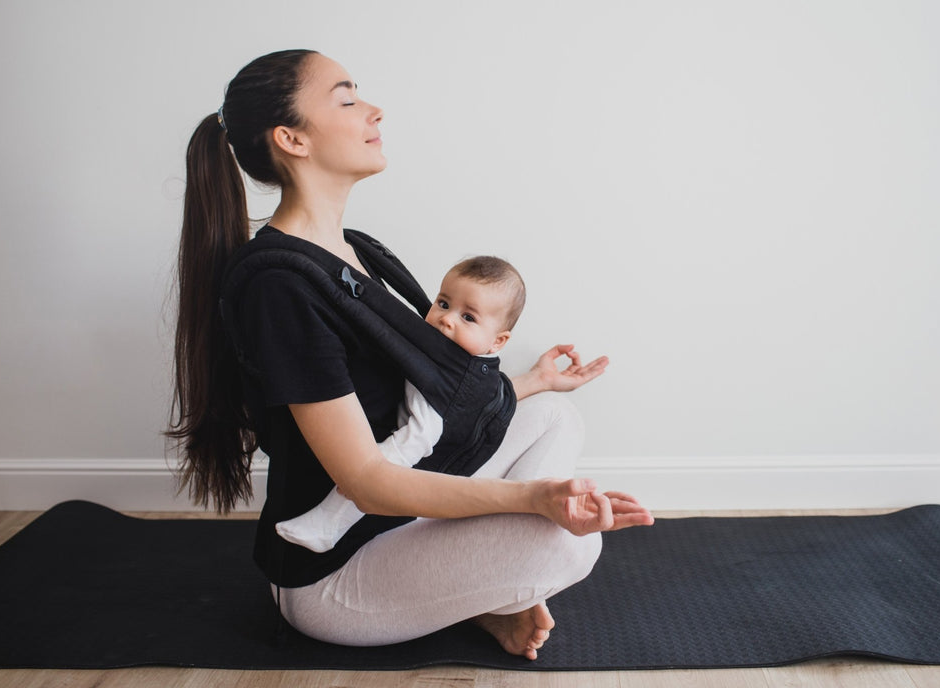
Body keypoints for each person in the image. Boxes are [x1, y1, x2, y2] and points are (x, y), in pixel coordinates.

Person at [168, 48, 653, 661]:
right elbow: (365, 482)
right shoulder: (279, 284)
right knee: (566, 545)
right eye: (346, 99)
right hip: (335, 574)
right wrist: (534, 500)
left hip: (400, 524)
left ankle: (476, 586)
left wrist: (531, 383)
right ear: (292, 138)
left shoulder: (361, 252)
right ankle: (485, 590)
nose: (374, 110)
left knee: (557, 419)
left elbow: (428, 395)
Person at [276, 254, 527, 553]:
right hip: (450, 455)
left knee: (390, 460)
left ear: (497, 341)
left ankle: (326, 525)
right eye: (444, 303)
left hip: (425, 466)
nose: (446, 319)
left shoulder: (452, 380)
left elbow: (419, 438)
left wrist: (367, 475)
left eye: (468, 317)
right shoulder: (459, 355)